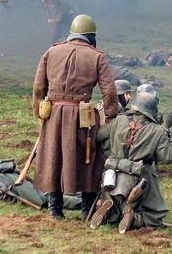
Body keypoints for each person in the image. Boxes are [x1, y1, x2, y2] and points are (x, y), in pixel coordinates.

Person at [32, 14, 119, 220]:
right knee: (90, 157)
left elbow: (38, 87)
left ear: (71, 34)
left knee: (53, 155)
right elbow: (109, 91)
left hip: (52, 113)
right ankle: (86, 209)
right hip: (84, 115)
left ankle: (55, 209)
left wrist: (39, 113)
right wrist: (110, 115)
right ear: (91, 36)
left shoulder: (51, 51)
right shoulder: (97, 56)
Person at [90, 92, 172, 233]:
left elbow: (99, 137)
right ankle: (133, 217)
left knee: (112, 204)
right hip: (139, 178)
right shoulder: (157, 130)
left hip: (112, 175)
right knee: (154, 217)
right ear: (153, 110)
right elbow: (168, 157)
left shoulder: (119, 120)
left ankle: (107, 209)